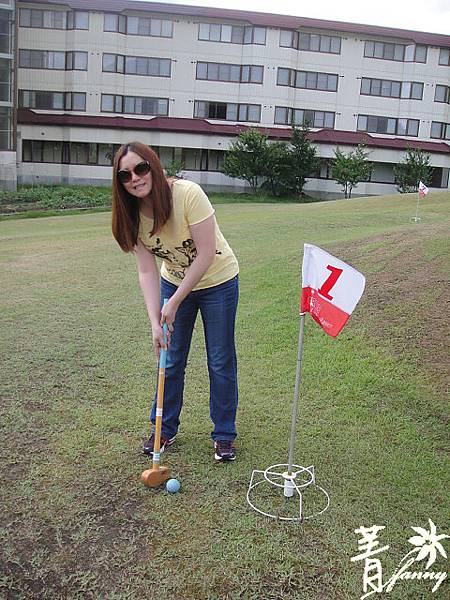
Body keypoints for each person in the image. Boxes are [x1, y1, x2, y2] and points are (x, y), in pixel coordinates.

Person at [111, 142, 239, 461]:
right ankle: (164, 429)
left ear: (153, 166)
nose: (135, 178)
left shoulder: (188, 194)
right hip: (173, 281)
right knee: (170, 358)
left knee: (220, 359)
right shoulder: (132, 216)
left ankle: (223, 435)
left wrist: (175, 301)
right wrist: (155, 321)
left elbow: (206, 253)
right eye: (125, 174)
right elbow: (146, 270)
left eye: (141, 168)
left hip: (218, 282)